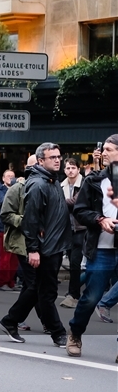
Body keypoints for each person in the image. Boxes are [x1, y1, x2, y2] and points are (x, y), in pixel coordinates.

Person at [0, 143, 71, 346]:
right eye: (52, 157)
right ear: (40, 161)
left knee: (36, 289)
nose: (57, 160)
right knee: (46, 292)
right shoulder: (38, 184)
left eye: (58, 156)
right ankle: (58, 332)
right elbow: (30, 220)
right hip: (45, 247)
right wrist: (33, 249)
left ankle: (10, 321)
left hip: (53, 245)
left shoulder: (52, 180)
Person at [65, 135, 118, 357]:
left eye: (109, 149)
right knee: (92, 297)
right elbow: (80, 210)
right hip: (101, 249)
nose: (103, 153)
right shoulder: (94, 181)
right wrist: (100, 219)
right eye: (103, 149)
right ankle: (75, 333)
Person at [60, 157, 85, 308]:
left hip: (82, 228)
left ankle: (74, 295)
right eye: (68, 168)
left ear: (78, 169)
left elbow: (76, 202)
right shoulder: (61, 185)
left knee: (76, 262)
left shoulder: (84, 184)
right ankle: (73, 292)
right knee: (72, 263)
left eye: (73, 168)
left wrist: (59, 202)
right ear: (64, 170)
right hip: (67, 228)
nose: (70, 171)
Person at [0, 169, 19, 290]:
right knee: (5, 257)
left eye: (12, 176)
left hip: (15, 227)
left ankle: (11, 282)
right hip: (4, 227)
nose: (11, 178)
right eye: (8, 176)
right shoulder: (0, 190)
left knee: (14, 258)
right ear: (3, 178)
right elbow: (4, 202)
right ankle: (3, 282)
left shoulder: (17, 189)